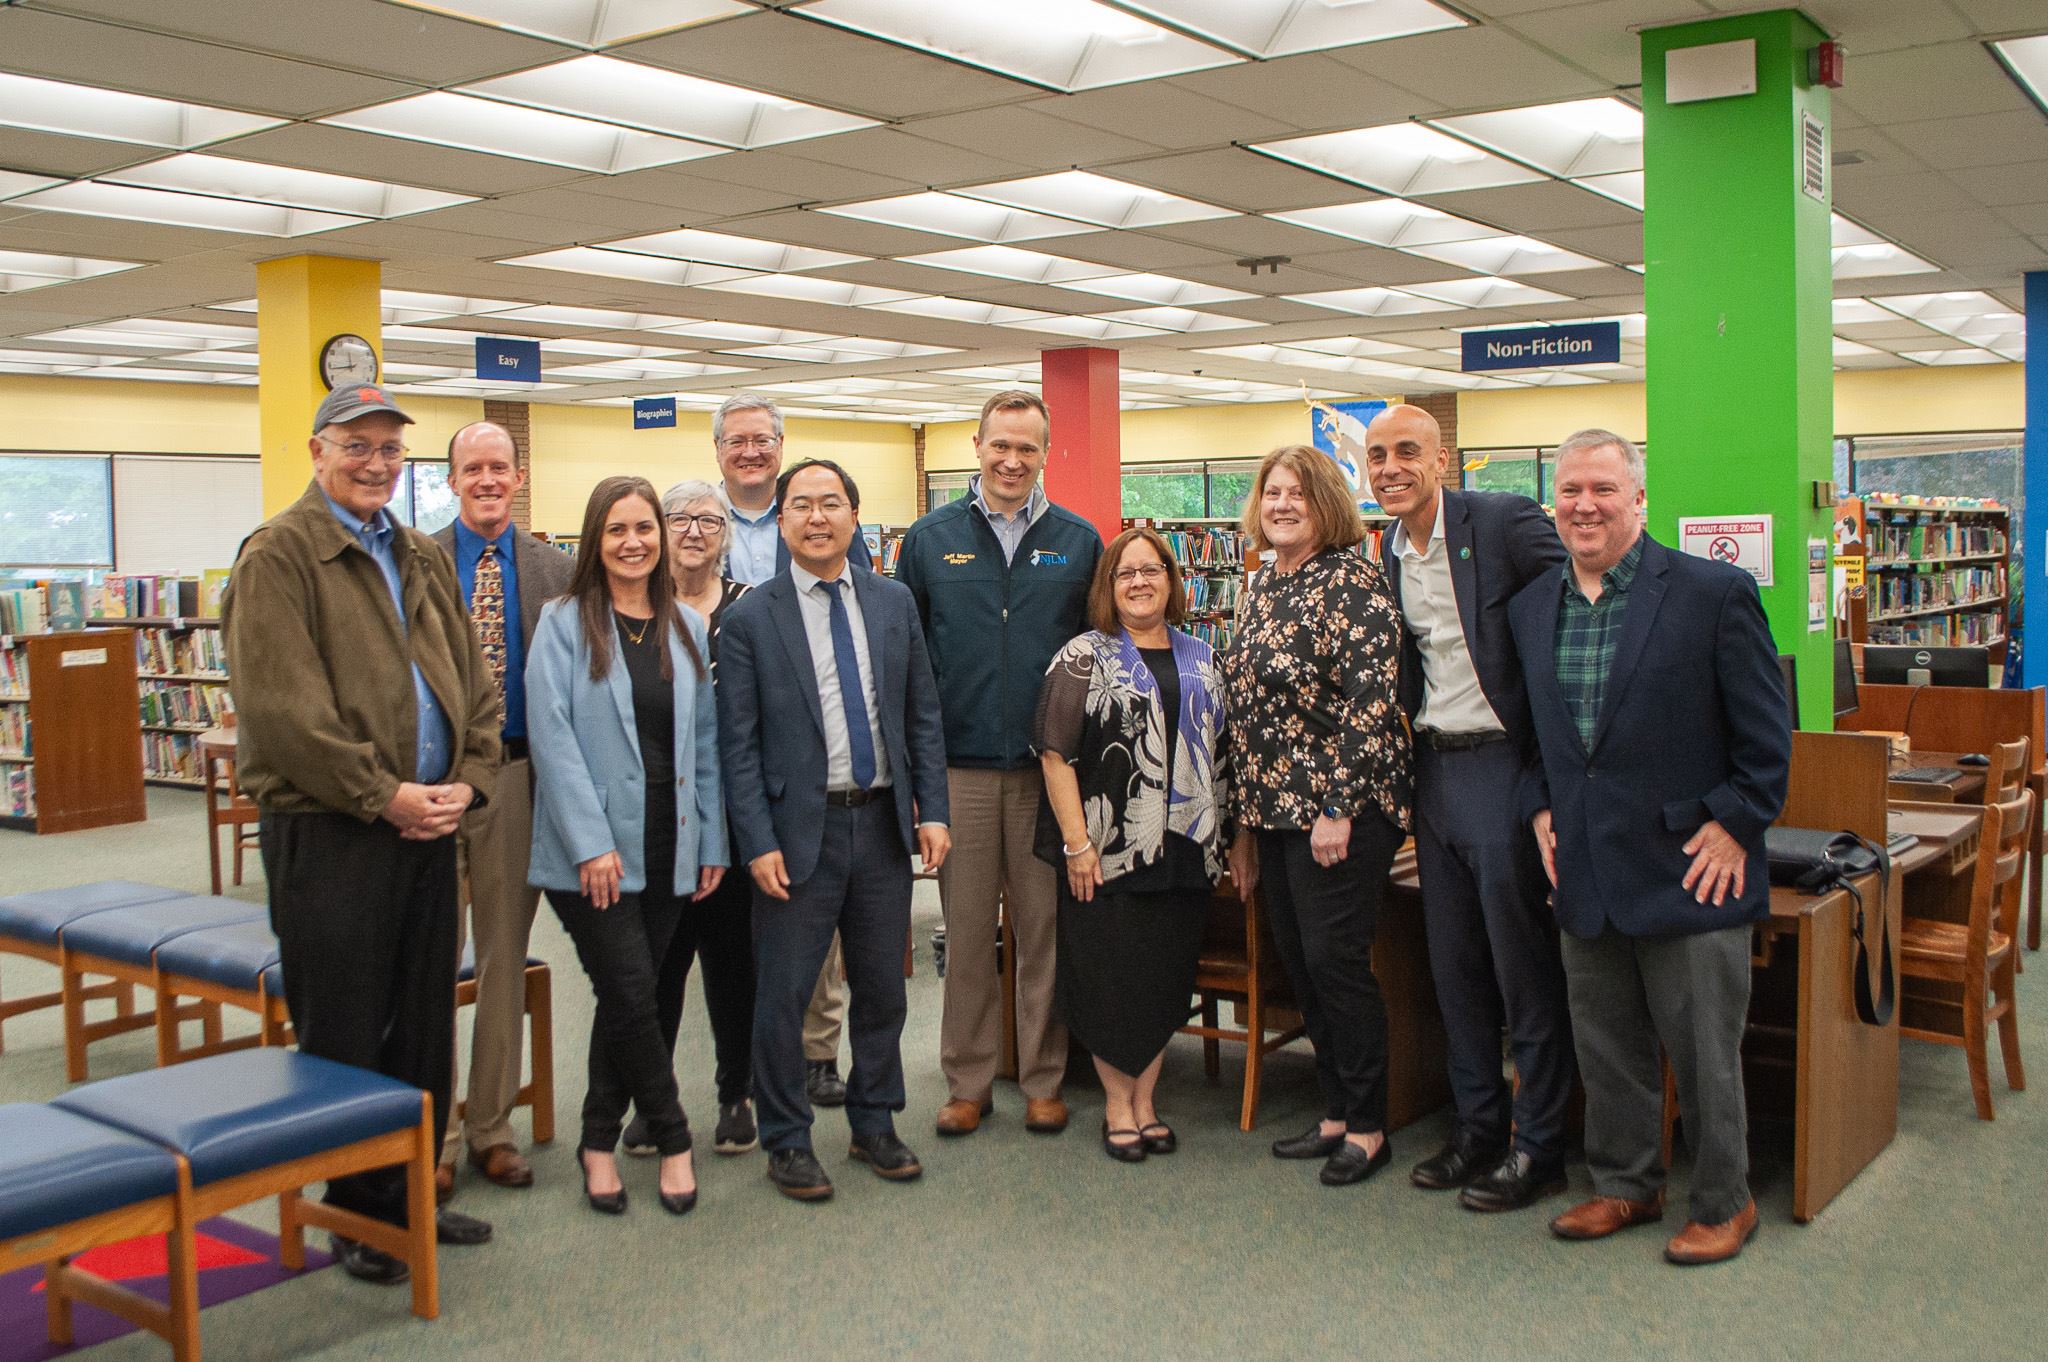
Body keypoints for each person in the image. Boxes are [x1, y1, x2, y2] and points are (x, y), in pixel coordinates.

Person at [222, 383, 500, 1283]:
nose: (376, 462)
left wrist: (469, 781)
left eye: (389, 448)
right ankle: (353, 1217)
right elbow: (283, 713)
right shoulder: (280, 554)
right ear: (317, 450)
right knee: (344, 1029)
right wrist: (383, 794)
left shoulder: (417, 552)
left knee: (423, 1023)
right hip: (333, 833)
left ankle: (411, 1199)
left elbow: (476, 684)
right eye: (358, 445)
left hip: (429, 827)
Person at [1508, 429, 1790, 1266]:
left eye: (1601, 489)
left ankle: (1724, 1201)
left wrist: (1738, 821)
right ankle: (1627, 1184)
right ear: (1552, 502)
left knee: (1705, 1054)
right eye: (1569, 492)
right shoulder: (1532, 609)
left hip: (1691, 870)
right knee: (1608, 1046)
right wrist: (1538, 813)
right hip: (1586, 872)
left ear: (1638, 497)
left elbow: (1768, 739)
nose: (1584, 506)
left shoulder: (1712, 592)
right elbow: (1535, 745)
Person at [718, 459, 951, 1202]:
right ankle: (786, 1139)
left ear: (855, 514)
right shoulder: (751, 616)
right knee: (783, 996)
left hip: (881, 826)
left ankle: (874, 1121)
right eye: (801, 506)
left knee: (883, 989)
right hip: (795, 834)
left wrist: (934, 809)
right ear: (780, 521)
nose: (817, 517)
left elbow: (922, 714)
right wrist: (755, 839)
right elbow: (738, 743)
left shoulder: (893, 603)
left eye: (831, 503)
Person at [1363, 404, 1576, 1213]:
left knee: (1522, 971)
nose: (1391, 468)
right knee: (1455, 969)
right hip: (1434, 774)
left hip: (1502, 769)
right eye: (1378, 456)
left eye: (1407, 452)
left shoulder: (1505, 522)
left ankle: (1540, 1147)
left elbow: (1572, 627)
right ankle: (1477, 1128)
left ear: (1443, 460)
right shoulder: (1385, 549)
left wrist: (1550, 787)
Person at [897, 389, 1102, 1139]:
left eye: (1028, 448)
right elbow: (910, 668)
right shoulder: (927, 539)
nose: (1012, 460)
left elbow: (1099, 662)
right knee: (970, 930)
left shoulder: (1080, 542)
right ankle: (968, 1080)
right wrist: (921, 787)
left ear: (1047, 453)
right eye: (1000, 446)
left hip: (1052, 776)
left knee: (1045, 932)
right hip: (962, 772)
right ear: (976, 447)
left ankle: (1045, 1078)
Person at [526, 476, 727, 1217]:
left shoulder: (687, 628)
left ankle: (596, 1140)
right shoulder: (563, 622)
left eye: (646, 527)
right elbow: (552, 738)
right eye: (617, 530)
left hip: (672, 845)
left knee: (628, 996)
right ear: (594, 539)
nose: (635, 542)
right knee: (635, 993)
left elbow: (702, 743)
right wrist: (589, 844)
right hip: (593, 858)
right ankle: (674, 1138)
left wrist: (712, 839)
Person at [1222, 444, 1412, 1188]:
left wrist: (1338, 806)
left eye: (1298, 492)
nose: (1281, 504)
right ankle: (1334, 1109)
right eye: (1271, 492)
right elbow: (1248, 713)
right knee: (1301, 963)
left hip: (1344, 811)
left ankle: (1368, 1125)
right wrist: (1243, 825)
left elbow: (1372, 704)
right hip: (1272, 813)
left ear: (1326, 501)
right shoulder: (1264, 585)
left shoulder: (1354, 580)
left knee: (1337, 964)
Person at [1034, 528, 1228, 1162]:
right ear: (1108, 588)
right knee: (1110, 977)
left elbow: (1224, 755)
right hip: (1107, 847)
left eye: (1152, 570)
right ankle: (1118, 1106)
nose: (1140, 582)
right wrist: (1075, 843)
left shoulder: (1204, 655)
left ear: (1172, 581)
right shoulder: (1081, 657)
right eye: (1125, 574)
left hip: (1186, 847)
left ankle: (1147, 1101)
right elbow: (1055, 755)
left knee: (1164, 978)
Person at [710, 392, 868, 1110]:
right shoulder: (694, 520)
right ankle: (743, 1065)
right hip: (729, 749)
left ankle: (817, 1054)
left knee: (818, 919)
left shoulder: (816, 515)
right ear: (719, 451)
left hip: (814, 755)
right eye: (737, 440)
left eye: (763, 440)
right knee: (740, 923)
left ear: (781, 446)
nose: (751, 451)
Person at [430, 421, 573, 1197]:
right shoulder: (414, 563)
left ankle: (490, 1126)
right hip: (429, 783)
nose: (487, 479)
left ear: (518, 477)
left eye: (500, 467)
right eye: (472, 467)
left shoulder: (557, 569)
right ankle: (437, 1138)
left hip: (516, 779)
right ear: (452, 480)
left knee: (501, 956)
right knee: (429, 963)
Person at [615, 480, 758, 1161]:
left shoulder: (750, 611)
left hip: (731, 816)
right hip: (655, 819)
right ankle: (654, 1101)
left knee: (732, 966)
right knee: (658, 968)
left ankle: (738, 1095)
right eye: (680, 518)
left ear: (725, 531)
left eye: (708, 518)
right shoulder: (629, 612)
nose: (694, 530)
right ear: (659, 530)